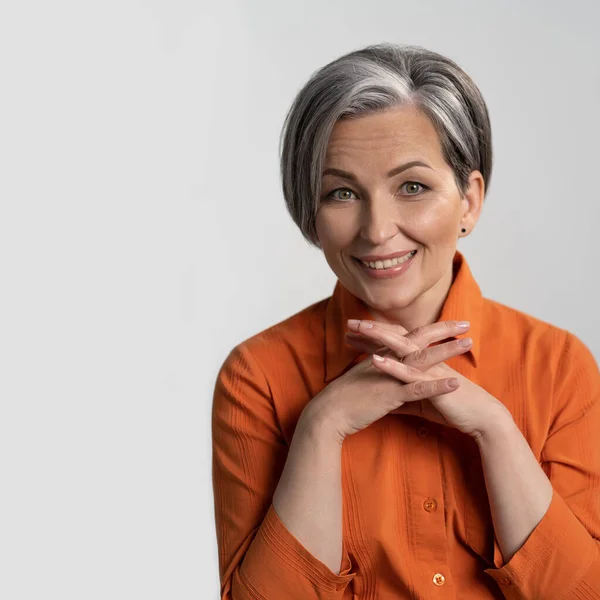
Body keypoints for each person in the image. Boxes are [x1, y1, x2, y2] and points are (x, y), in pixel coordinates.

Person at [211, 43, 600, 599]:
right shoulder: (259, 376)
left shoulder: (560, 367)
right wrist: (322, 427)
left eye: (411, 187)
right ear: (310, 212)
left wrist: (496, 430)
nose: (377, 229)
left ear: (469, 200)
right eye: (342, 192)